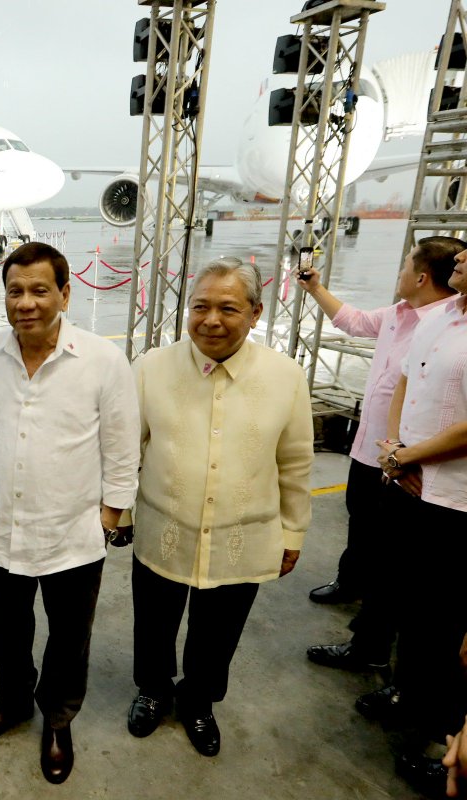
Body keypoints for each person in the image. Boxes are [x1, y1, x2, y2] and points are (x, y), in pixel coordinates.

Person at [0, 242, 139, 784]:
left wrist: (107, 520)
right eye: (16, 291)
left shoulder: (102, 359)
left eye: (40, 290)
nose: (27, 302)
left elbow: (123, 451)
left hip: (74, 533)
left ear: (65, 292)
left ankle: (58, 720)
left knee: (68, 636)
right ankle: (15, 704)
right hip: (7, 528)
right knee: (9, 632)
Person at [125, 256, 313, 758]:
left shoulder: (287, 377)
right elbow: (125, 450)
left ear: (255, 313)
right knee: (154, 619)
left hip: (242, 536)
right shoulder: (150, 369)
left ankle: (199, 701)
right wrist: (120, 514)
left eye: (227, 308)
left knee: (220, 628)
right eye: (199, 306)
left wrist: (291, 534)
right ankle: (153, 689)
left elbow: (295, 464)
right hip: (164, 525)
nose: (211, 319)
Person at [300, 237, 464, 704]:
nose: (398, 272)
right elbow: (359, 330)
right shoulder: (408, 316)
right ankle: (366, 630)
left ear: (420, 276)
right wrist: (393, 448)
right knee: (368, 533)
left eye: (405, 264)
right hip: (380, 451)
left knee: (415, 581)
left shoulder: (443, 322)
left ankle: (397, 670)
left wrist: (408, 456)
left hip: (422, 471)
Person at [377, 246, 467, 796]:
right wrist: (394, 449)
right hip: (408, 482)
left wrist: (409, 457)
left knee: (446, 623)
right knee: (407, 603)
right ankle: (407, 700)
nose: (461, 253)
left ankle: (442, 736)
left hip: (454, 501)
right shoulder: (446, 315)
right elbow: (405, 382)